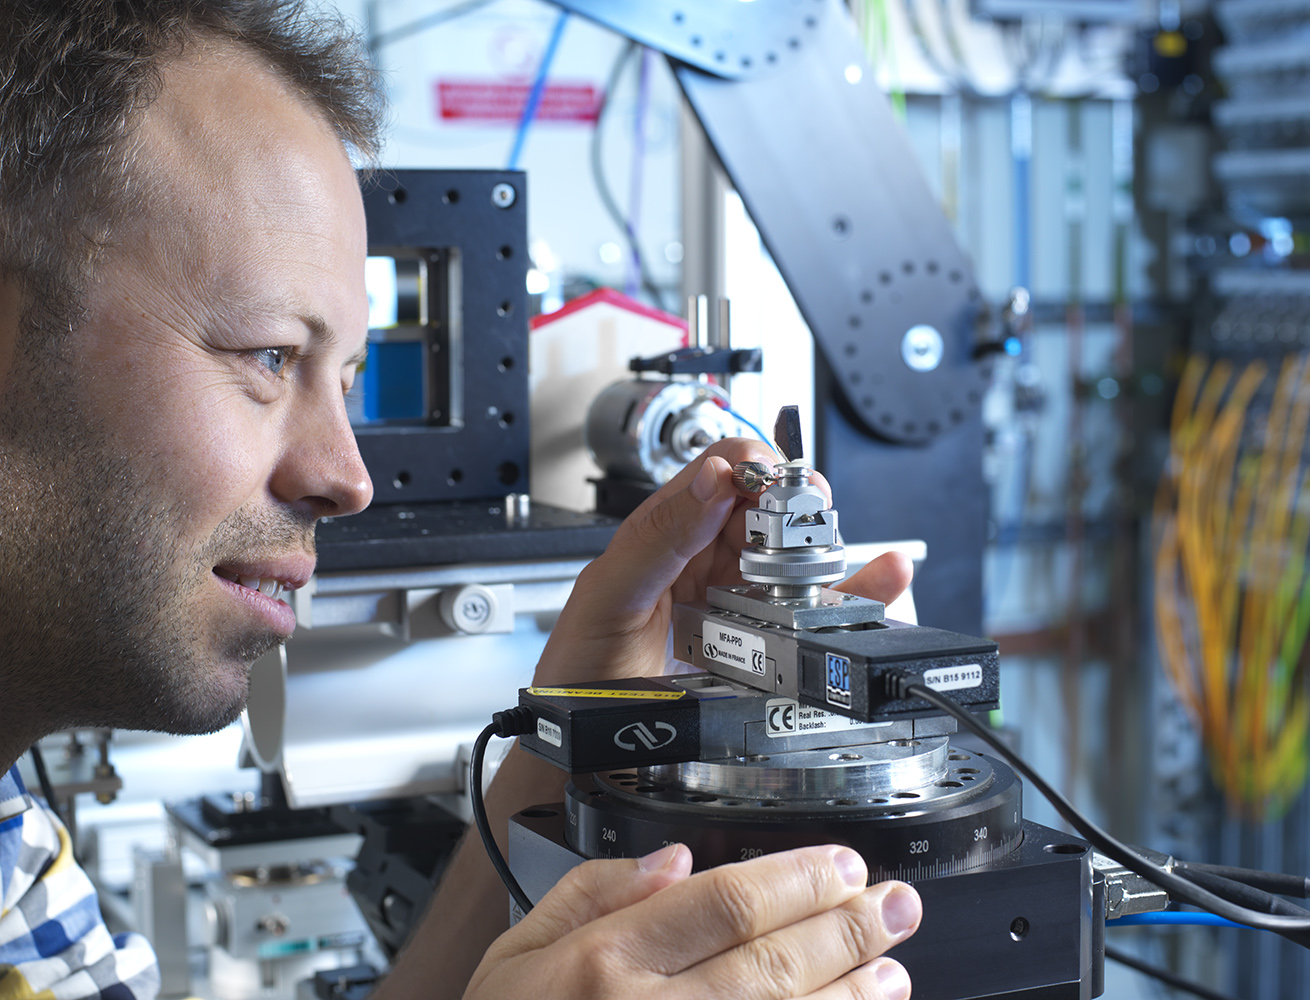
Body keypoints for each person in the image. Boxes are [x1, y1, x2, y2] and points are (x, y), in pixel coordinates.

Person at [0, 3, 923, 999]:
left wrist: (576, 723)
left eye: (346, 383)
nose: (347, 477)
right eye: (269, 356)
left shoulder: (19, 853)